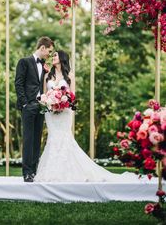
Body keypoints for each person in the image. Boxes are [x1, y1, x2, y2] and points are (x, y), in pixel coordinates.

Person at [34, 50, 140, 182]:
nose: (53, 57)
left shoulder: (70, 76)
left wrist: (62, 102)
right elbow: (44, 94)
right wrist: (49, 102)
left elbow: (72, 96)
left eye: (55, 55)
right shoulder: (47, 76)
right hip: (50, 113)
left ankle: (69, 172)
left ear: (62, 58)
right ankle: (50, 173)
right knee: (53, 138)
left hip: (65, 112)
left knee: (64, 138)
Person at [15, 36, 54, 182]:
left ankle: (35, 170)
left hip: (41, 106)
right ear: (42, 48)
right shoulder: (24, 62)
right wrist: (25, 103)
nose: (49, 54)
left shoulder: (45, 65)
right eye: (49, 51)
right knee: (28, 139)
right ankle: (27, 173)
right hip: (28, 106)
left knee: (37, 139)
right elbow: (18, 84)